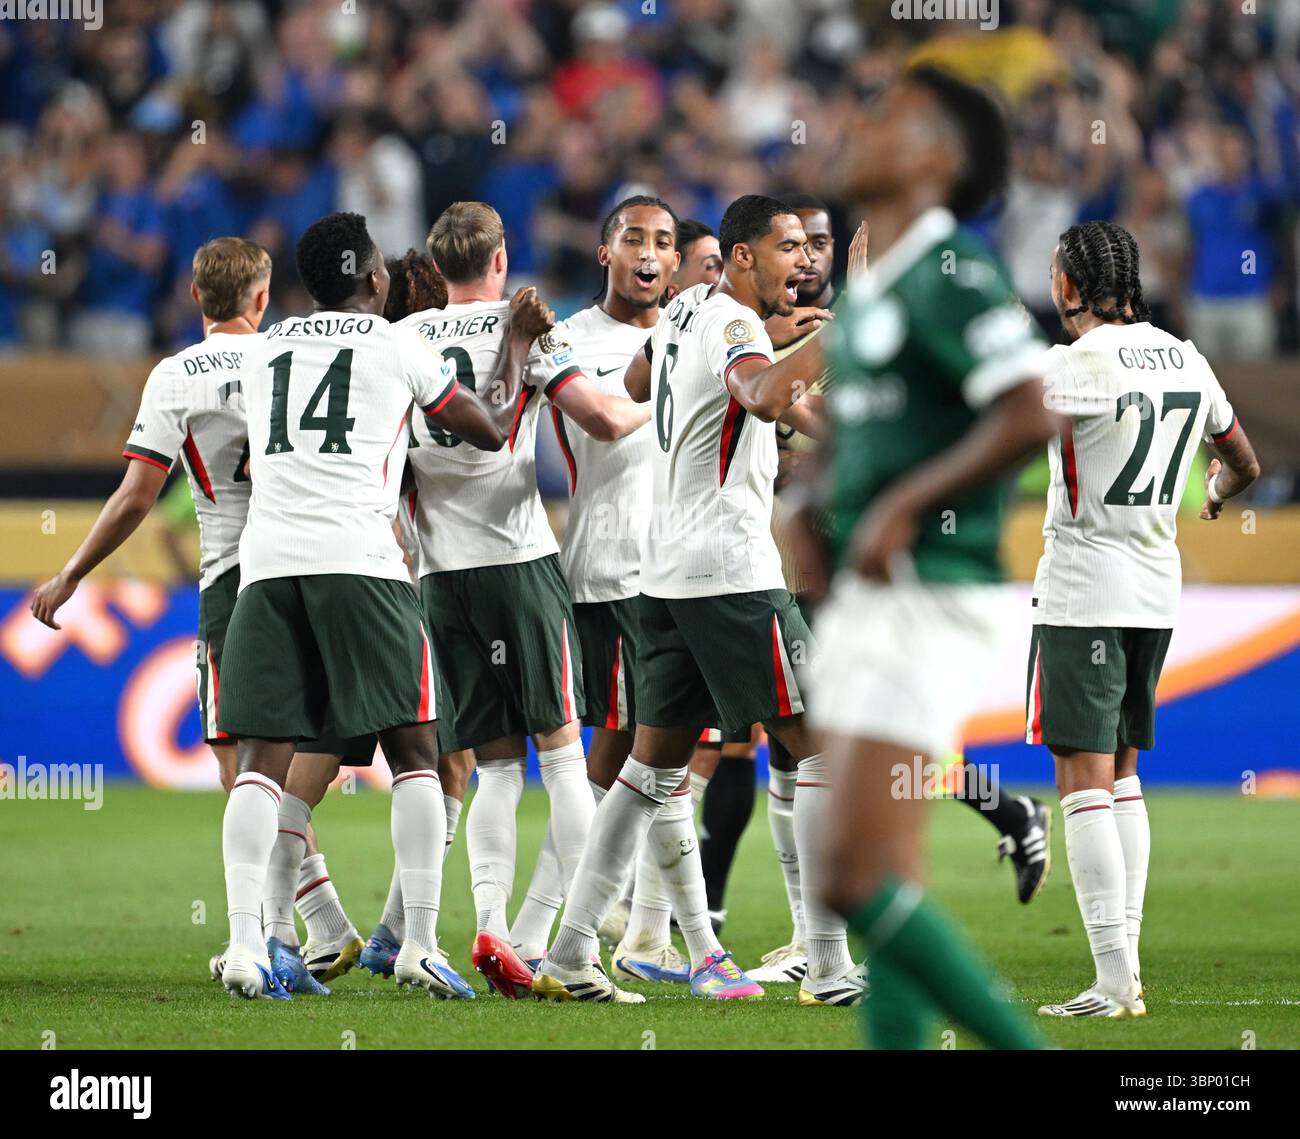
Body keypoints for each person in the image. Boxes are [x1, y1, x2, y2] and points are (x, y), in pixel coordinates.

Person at [534, 194, 852, 1007]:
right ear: (743, 256)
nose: (802, 261)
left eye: (806, 250)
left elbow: (645, 379)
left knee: (648, 770)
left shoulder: (678, 316)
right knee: (819, 748)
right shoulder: (737, 325)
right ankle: (828, 962)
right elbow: (762, 396)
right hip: (731, 571)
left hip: (663, 574)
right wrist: (828, 340)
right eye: (786, 248)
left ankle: (570, 950)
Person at [30, 237, 365, 993]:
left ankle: (278, 932)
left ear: (194, 297)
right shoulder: (292, 354)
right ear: (261, 295)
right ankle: (320, 925)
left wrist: (73, 570)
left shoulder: (177, 374)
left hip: (235, 575)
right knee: (292, 761)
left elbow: (137, 497)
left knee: (241, 767)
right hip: (318, 562)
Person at [802, 66, 1056, 1049]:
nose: (857, 122)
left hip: (929, 593)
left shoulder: (953, 270)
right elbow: (864, 432)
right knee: (885, 878)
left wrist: (903, 506)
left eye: (886, 115)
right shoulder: (878, 289)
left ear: (933, 158)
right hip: (874, 596)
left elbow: (1028, 408)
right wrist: (812, 498)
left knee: (847, 876)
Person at [213, 212, 512, 1001]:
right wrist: (515, 356)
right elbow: (485, 432)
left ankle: (247, 944)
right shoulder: (397, 343)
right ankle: (416, 940)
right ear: (375, 280)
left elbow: (255, 450)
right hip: (364, 566)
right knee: (418, 751)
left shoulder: (268, 344)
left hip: (267, 569)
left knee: (260, 767)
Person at [400, 201, 648, 998]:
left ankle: (493, 928)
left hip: (441, 575)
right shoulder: (528, 327)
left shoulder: (400, 342)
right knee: (564, 755)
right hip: (516, 562)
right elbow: (605, 418)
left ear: (437, 270)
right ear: (501, 257)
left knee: (497, 768)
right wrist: (667, 403)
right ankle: (574, 950)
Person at [1032, 220, 1259, 1017]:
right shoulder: (1188, 357)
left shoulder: (1069, 365)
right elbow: (1243, 462)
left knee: (1083, 779)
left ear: (1068, 285)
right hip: (1157, 591)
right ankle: (1124, 970)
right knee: (1124, 775)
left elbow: (992, 435)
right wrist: (1213, 497)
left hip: (1084, 587)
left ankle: (1112, 979)